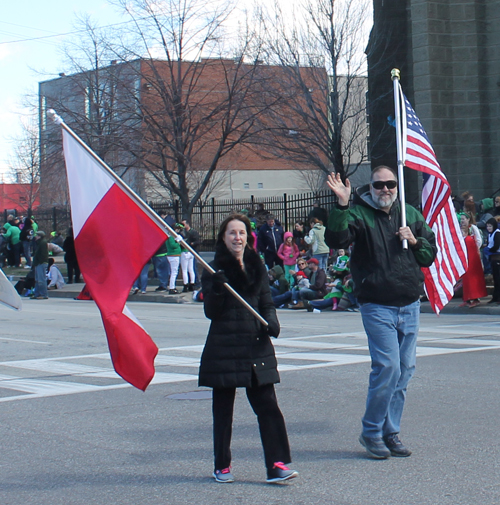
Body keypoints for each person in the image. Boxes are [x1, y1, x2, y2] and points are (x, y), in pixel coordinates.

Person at [327, 165, 437, 459]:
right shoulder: (359, 215)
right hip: (377, 305)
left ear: (396, 186)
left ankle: (391, 431)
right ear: (371, 188)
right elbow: (336, 241)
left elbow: (429, 254)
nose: (385, 189)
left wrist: (414, 240)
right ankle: (371, 431)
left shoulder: (410, 215)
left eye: (390, 183)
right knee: (388, 367)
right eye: (379, 185)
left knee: (404, 371)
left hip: (410, 304)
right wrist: (341, 204)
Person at [200, 214, 298, 484]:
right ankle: (222, 465)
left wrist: (273, 322)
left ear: (248, 237)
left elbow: (266, 301)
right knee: (223, 412)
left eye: (241, 232)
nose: (237, 238)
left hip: (256, 346)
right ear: (223, 237)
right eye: (231, 233)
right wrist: (217, 289)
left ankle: (277, 464)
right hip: (224, 347)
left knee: (268, 407)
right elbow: (211, 312)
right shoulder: (212, 270)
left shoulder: (258, 265)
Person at [457, 212, 486, 308]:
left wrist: (475, 250)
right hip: (464, 257)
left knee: (473, 278)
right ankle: (467, 298)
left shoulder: (473, 228)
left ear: (468, 219)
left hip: (473, 257)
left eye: (464, 219)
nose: (462, 221)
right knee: (466, 278)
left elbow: (479, 240)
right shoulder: (460, 230)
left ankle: (476, 298)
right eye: (461, 219)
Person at [485, 218, 500, 304]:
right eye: (487, 226)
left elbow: (497, 245)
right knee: (495, 278)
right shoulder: (490, 234)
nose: (488, 228)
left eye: (490, 226)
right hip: (493, 258)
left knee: (498, 278)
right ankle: (495, 296)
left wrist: (490, 250)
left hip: (497, 257)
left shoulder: (497, 233)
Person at [32, 231, 49, 300]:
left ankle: (43, 294)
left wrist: (39, 262)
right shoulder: (39, 243)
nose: (35, 237)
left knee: (41, 280)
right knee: (37, 279)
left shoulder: (43, 243)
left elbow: (43, 254)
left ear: (40, 236)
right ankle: (37, 294)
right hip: (38, 263)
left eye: (37, 235)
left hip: (41, 263)